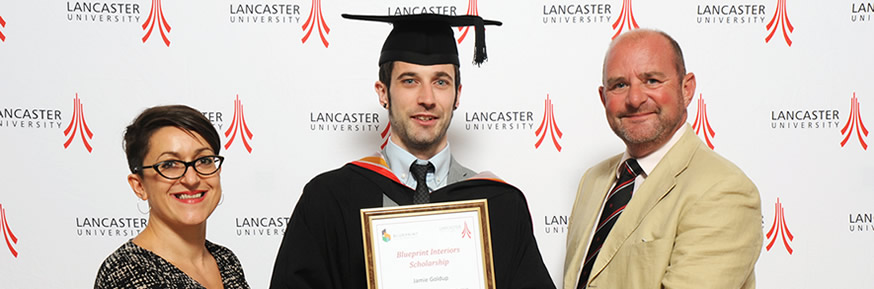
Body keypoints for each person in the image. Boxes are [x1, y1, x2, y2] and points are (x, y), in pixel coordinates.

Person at [269, 13, 555, 289]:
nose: (427, 99)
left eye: (441, 82)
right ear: (383, 92)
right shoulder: (329, 201)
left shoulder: (500, 205)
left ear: (457, 94)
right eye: (410, 81)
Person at [563, 29, 762, 289]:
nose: (635, 99)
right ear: (603, 98)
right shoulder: (593, 180)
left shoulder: (723, 190)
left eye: (652, 81)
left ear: (687, 89)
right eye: (620, 85)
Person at [95, 105, 249, 289]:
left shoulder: (225, 261)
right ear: (139, 185)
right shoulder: (126, 272)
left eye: (204, 161)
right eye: (169, 164)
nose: (191, 179)